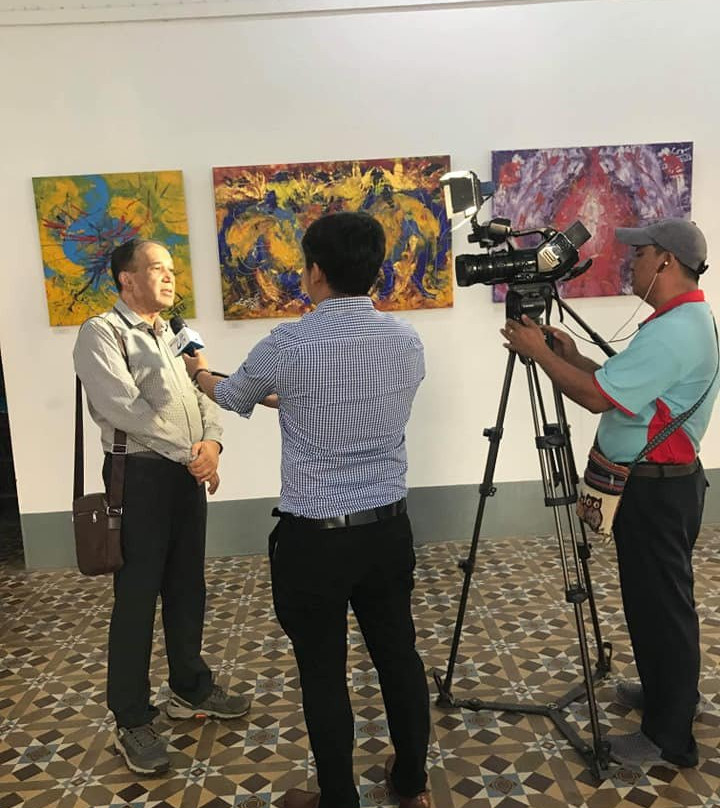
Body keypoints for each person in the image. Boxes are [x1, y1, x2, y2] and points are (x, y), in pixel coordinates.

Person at [184, 212, 431, 808]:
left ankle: (339, 798)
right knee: (398, 656)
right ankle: (411, 786)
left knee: (323, 671)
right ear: (375, 269)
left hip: (314, 541)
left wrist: (196, 371)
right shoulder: (404, 342)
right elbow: (343, 402)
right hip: (387, 529)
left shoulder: (290, 343)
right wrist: (289, 398)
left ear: (315, 271)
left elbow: (233, 394)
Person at [500, 218, 718, 768]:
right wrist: (567, 356)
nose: (633, 263)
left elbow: (597, 401)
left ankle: (669, 739)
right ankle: (668, 695)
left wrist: (536, 351)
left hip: (656, 492)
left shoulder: (675, 329)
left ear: (666, 261)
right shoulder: (680, 319)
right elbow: (621, 389)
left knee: (661, 608)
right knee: (656, 603)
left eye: (641, 253)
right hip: (659, 487)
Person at [73, 238, 251, 776]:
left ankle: (190, 687)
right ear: (126, 279)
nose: (169, 278)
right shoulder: (101, 333)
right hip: (141, 478)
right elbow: (124, 408)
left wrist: (213, 444)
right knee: (136, 596)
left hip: (186, 472)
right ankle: (131, 716)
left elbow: (203, 394)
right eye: (157, 269)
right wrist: (189, 454)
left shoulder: (175, 332)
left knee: (185, 585)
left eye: (172, 270)